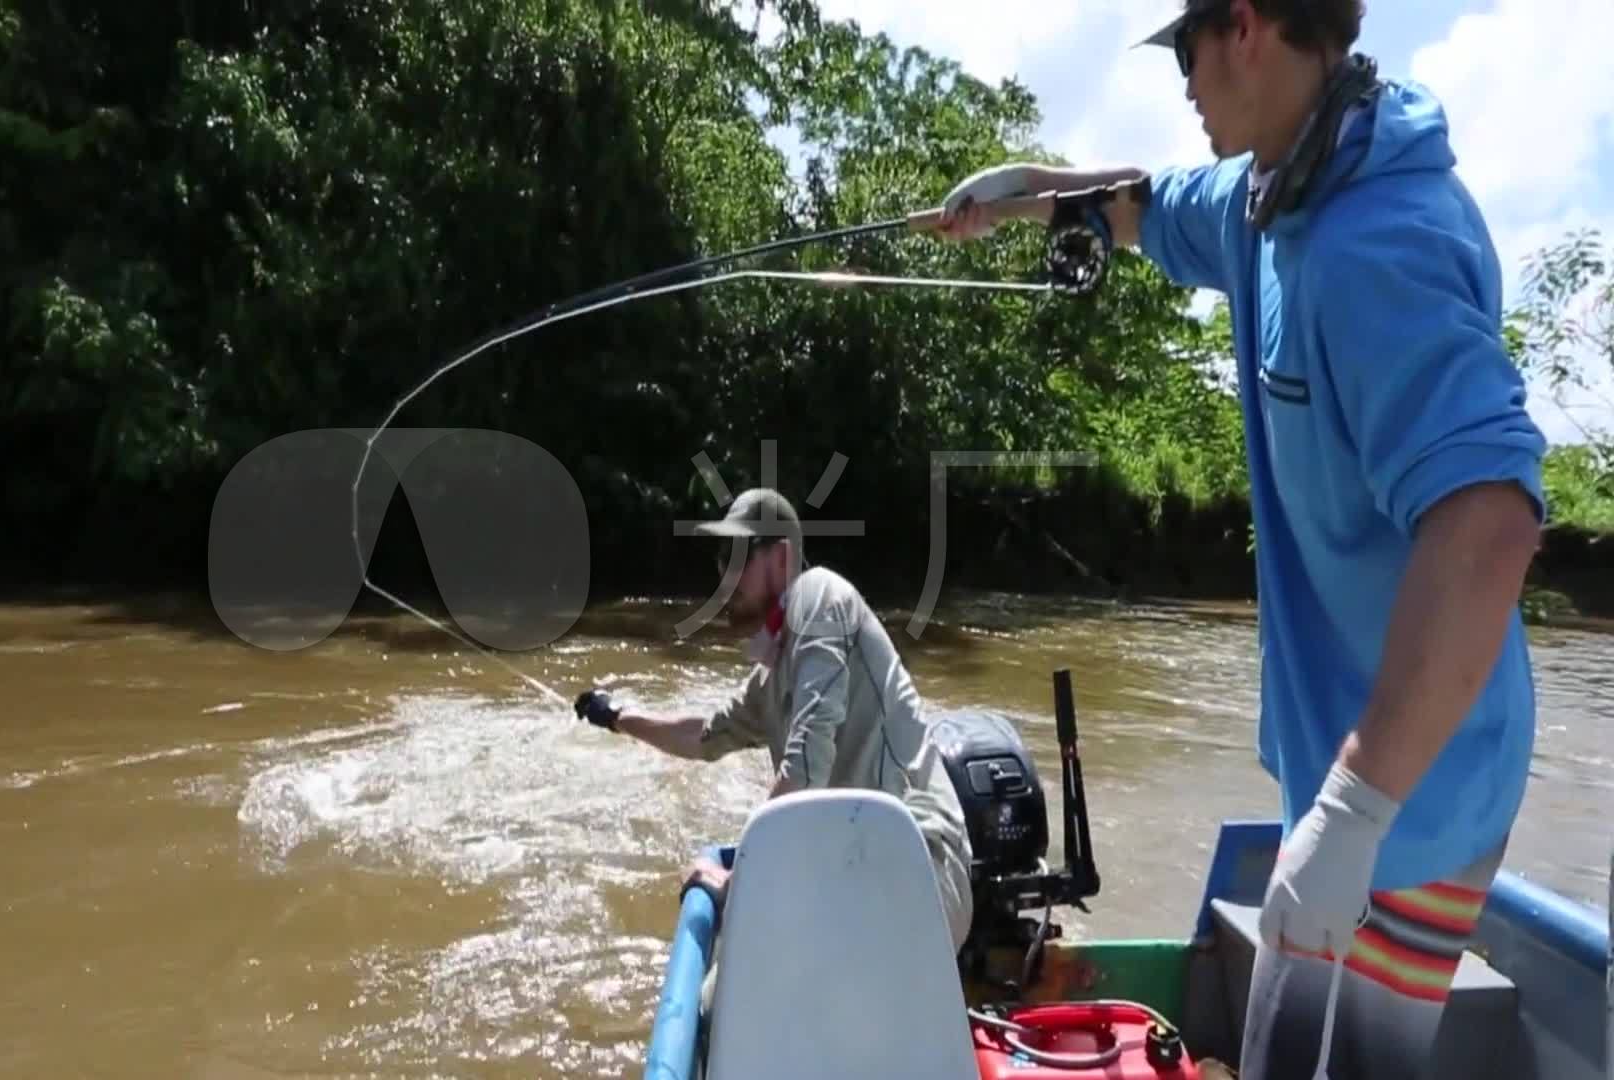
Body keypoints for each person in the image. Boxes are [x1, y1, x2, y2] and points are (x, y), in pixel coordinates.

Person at [925, 2, 1548, 1077]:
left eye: (1186, 46)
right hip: (1358, 775)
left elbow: (1489, 524)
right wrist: (1026, 191)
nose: (1179, 77)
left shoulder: (1380, 243)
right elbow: (1141, 205)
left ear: (1247, 26)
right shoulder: (1271, 188)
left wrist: (1356, 812)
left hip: (1422, 796)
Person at [572, 486, 977, 956]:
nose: (725, 574)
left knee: (737, 963)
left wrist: (740, 879)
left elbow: (806, 766)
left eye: (736, 554)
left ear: (782, 557)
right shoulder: (777, 670)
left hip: (919, 867)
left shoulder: (820, 597)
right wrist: (618, 717)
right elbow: (705, 736)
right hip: (862, 872)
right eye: (719, 558)